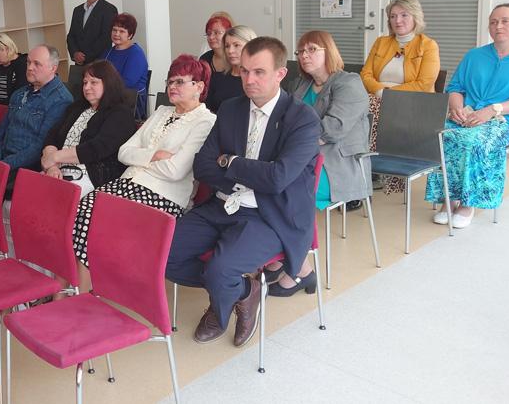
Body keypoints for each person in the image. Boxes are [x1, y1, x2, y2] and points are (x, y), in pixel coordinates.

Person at [165, 37, 320, 348]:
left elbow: (277, 179)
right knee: (164, 255)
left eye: (259, 72)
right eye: (245, 71)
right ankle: (244, 292)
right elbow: (203, 165)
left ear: (280, 74)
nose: (249, 79)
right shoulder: (231, 109)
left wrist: (231, 162)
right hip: (223, 203)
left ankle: (220, 304)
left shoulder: (302, 119)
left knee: (221, 269)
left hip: (270, 215)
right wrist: (245, 174)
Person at [72, 55, 215, 291]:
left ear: (198, 87)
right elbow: (123, 152)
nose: (172, 86)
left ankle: (81, 293)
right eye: (170, 81)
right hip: (128, 184)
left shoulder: (205, 121)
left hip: (163, 197)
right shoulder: (161, 112)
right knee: (84, 208)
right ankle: (80, 289)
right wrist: (154, 155)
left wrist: (142, 156)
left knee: (94, 216)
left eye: (179, 82)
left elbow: (176, 170)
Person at [426, 3, 509, 228]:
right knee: (442, 134)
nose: (498, 26)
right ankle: (449, 199)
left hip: (507, 120)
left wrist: (490, 110)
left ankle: (468, 203)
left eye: (505, 21)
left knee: (474, 140)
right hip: (468, 115)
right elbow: (455, 88)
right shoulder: (475, 55)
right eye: (493, 22)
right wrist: (457, 108)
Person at [280, 31, 371, 294]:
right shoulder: (300, 84)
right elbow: (282, 120)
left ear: (328, 51)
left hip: (338, 166)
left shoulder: (349, 83)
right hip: (302, 158)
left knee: (287, 192)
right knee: (268, 186)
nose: (304, 55)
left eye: (312, 49)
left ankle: (298, 270)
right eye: (300, 51)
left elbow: (331, 130)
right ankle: (287, 261)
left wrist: (290, 143)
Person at [360, 0, 441, 195]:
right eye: (393, 16)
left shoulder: (428, 45)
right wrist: (381, 92)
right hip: (378, 97)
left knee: (369, 109)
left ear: (415, 17)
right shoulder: (381, 42)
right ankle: (360, 169)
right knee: (356, 109)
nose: (398, 20)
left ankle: (366, 170)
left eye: (404, 15)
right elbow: (365, 75)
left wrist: (388, 95)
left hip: (414, 103)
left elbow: (424, 84)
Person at [41, 60, 137, 198]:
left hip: (89, 176)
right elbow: (52, 136)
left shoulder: (120, 113)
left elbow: (97, 148)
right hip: (57, 171)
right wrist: (52, 167)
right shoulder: (76, 108)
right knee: (26, 196)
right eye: (85, 82)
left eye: (93, 82)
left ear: (108, 83)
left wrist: (54, 157)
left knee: (51, 201)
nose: (87, 87)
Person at [0, 45, 73, 192]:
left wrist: (3, 165)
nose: (30, 68)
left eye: (37, 64)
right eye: (28, 62)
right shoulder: (19, 93)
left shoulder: (61, 100)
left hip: (26, 167)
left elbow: (40, 146)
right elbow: (1, 130)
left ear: (53, 68)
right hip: (3, 160)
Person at [101, 13, 149, 119]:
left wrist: (102, 89)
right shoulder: (108, 51)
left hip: (130, 102)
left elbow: (127, 83)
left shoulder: (136, 54)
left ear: (130, 35)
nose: (116, 34)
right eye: (114, 30)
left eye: (122, 31)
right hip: (109, 96)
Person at [66, 0, 119, 65]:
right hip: (79, 63)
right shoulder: (77, 10)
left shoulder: (109, 9)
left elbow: (105, 38)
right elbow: (71, 36)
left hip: (99, 63)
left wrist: (85, 56)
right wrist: (75, 53)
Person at [204, 25, 256, 113]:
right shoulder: (217, 79)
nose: (230, 51)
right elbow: (207, 110)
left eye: (236, 45)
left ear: (251, 47)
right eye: (227, 46)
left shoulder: (258, 81)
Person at [199, 11, 235, 75]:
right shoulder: (204, 59)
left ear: (229, 33)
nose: (211, 37)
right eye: (209, 33)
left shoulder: (237, 58)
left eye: (216, 33)